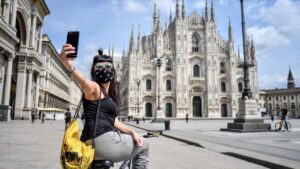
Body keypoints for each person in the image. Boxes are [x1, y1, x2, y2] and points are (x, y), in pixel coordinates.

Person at [60, 45, 150, 169]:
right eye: (100, 67)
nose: (104, 69)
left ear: (113, 70)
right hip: (103, 141)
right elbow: (84, 82)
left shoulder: (107, 96)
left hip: (88, 143)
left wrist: (132, 132)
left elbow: (115, 122)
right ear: (93, 70)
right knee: (144, 146)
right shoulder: (95, 88)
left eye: (108, 66)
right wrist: (70, 67)